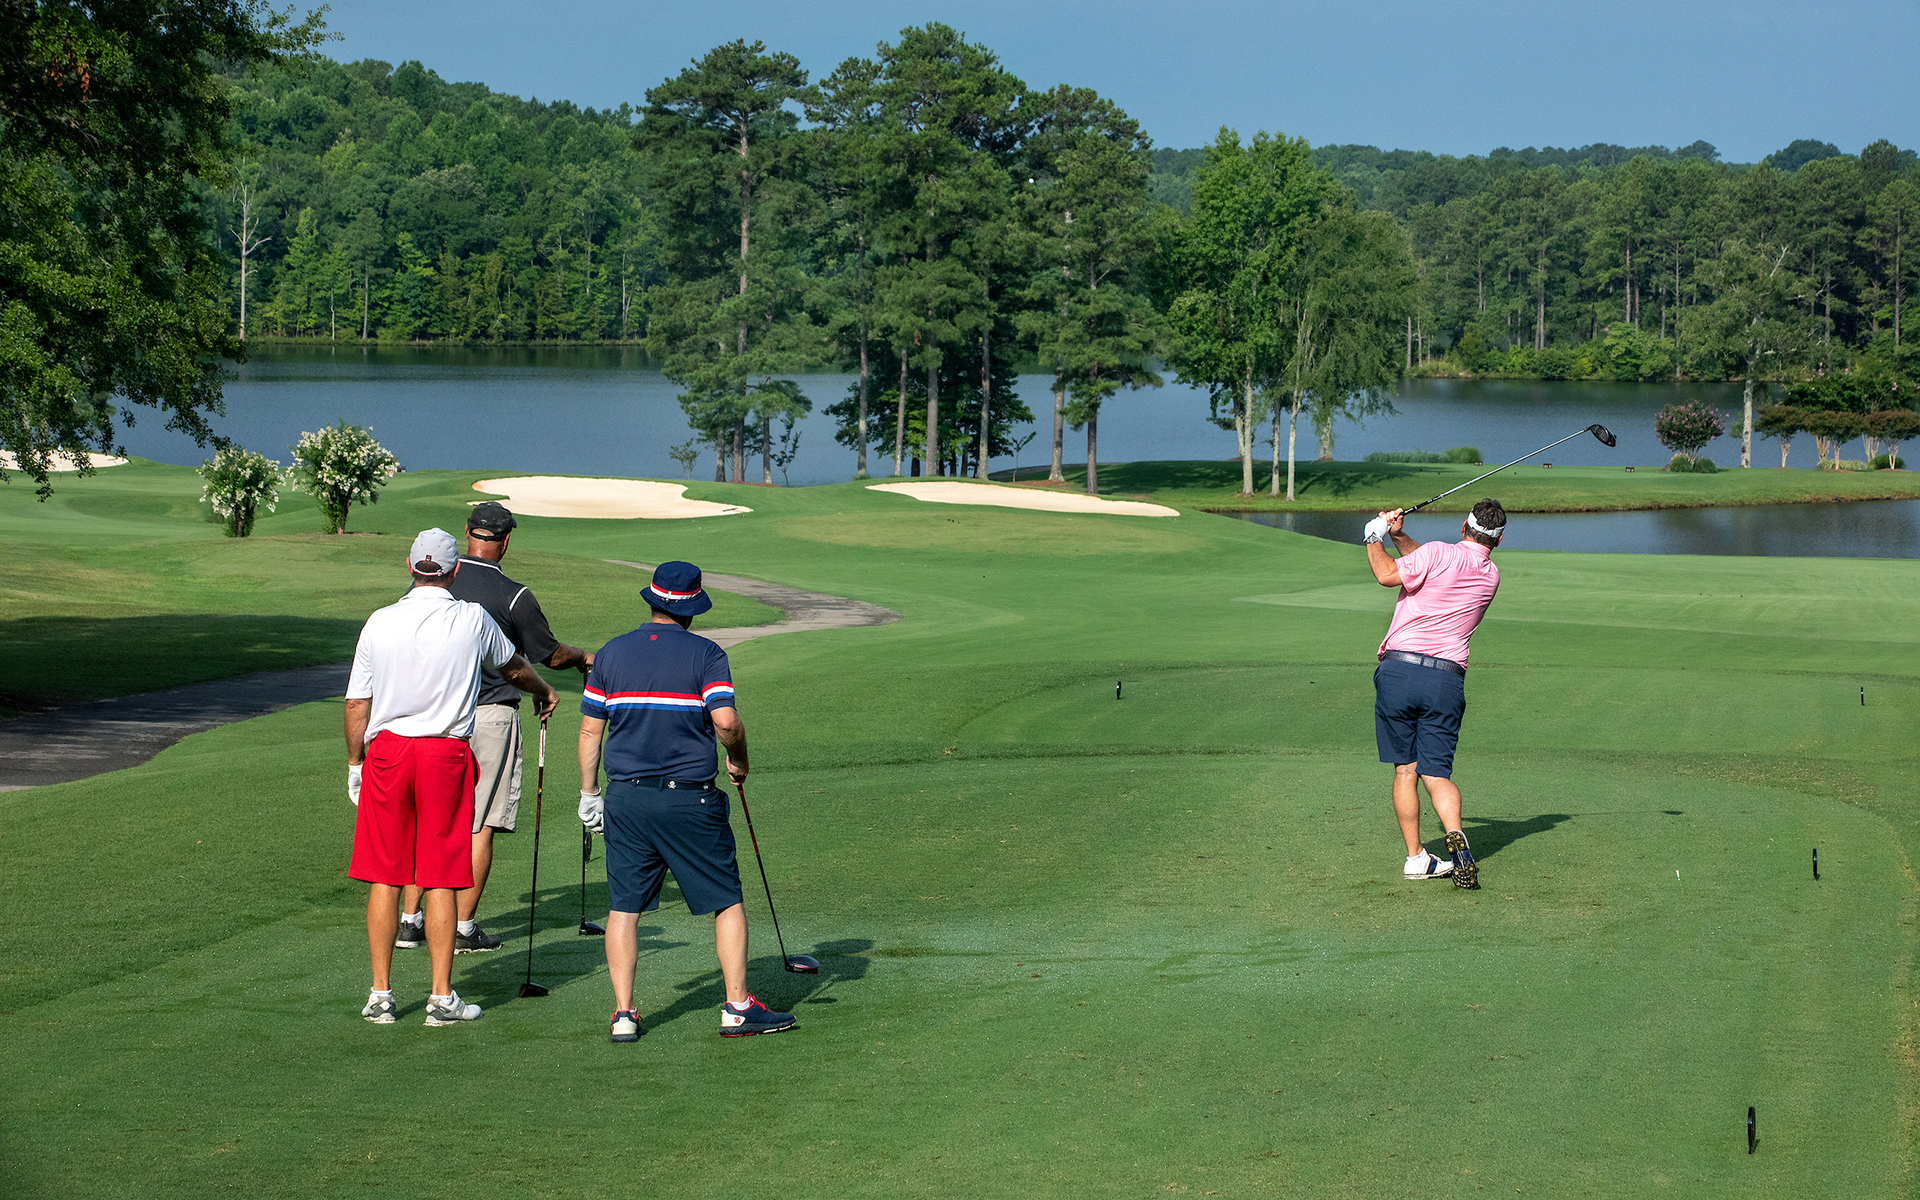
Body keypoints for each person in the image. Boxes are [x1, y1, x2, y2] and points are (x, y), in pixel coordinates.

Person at [576, 561, 795, 1043]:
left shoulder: (611, 653)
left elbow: (591, 730)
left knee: (624, 907)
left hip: (626, 799)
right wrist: (738, 759)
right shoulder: (707, 654)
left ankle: (624, 1014)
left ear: (652, 602)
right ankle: (738, 1008)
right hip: (690, 801)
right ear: (692, 608)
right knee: (725, 899)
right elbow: (726, 723)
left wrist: (589, 794)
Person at [346, 528, 558, 1026]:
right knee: (440, 876)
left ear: (410, 566)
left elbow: (357, 703)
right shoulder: (473, 618)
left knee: (385, 876)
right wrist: (545, 691)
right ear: (454, 570)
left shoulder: (379, 620)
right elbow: (514, 669)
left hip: (387, 755)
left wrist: (356, 763)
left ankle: (381, 996)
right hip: (444, 755)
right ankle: (441, 998)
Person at [394, 502, 593, 954]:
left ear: (467, 533)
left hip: (432, 716)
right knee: (478, 822)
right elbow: (548, 655)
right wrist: (582, 658)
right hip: (489, 716)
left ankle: (410, 921)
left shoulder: (433, 579)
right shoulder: (514, 595)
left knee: (429, 818)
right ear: (505, 542)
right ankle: (462, 929)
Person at [1362, 499, 1507, 891]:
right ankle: (1454, 833)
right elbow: (1429, 562)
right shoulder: (1490, 575)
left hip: (1399, 670)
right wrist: (1399, 537)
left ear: (1463, 526)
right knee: (1437, 773)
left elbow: (1388, 574)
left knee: (1405, 770)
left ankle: (1416, 858)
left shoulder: (1438, 553)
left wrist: (1374, 535)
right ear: (1498, 540)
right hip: (1445, 680)